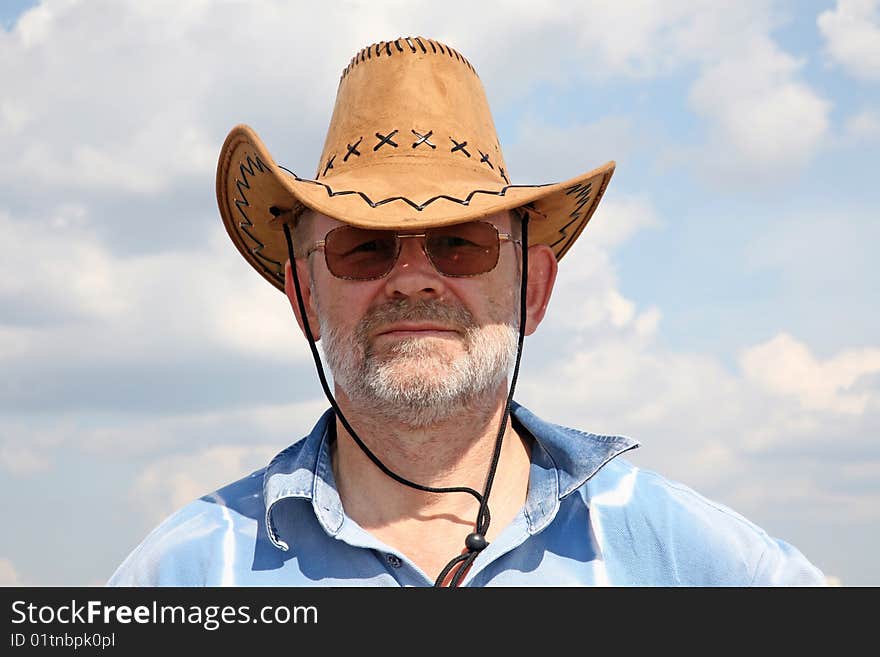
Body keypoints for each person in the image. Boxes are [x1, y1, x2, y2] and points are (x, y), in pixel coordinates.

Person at [107, 36, 825, 587]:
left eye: (459, 243)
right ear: (303, 299)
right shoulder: (187, 576)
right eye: (363, 247)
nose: (413, 279)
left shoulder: (693, 563)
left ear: (533, 290)